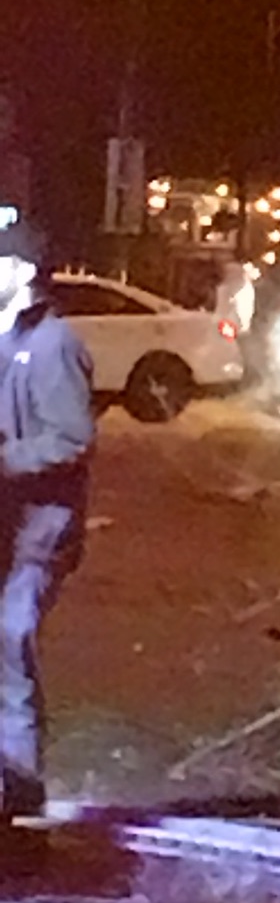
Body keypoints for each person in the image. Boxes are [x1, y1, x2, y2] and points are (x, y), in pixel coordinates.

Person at [0, 220, 95, 829]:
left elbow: (71, 437)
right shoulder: (6, 338)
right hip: (8, 525)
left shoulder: (53, 344)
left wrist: (4, 459)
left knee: (9, 641)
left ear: (20, 272)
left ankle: (21, 791)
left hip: (39, 533)